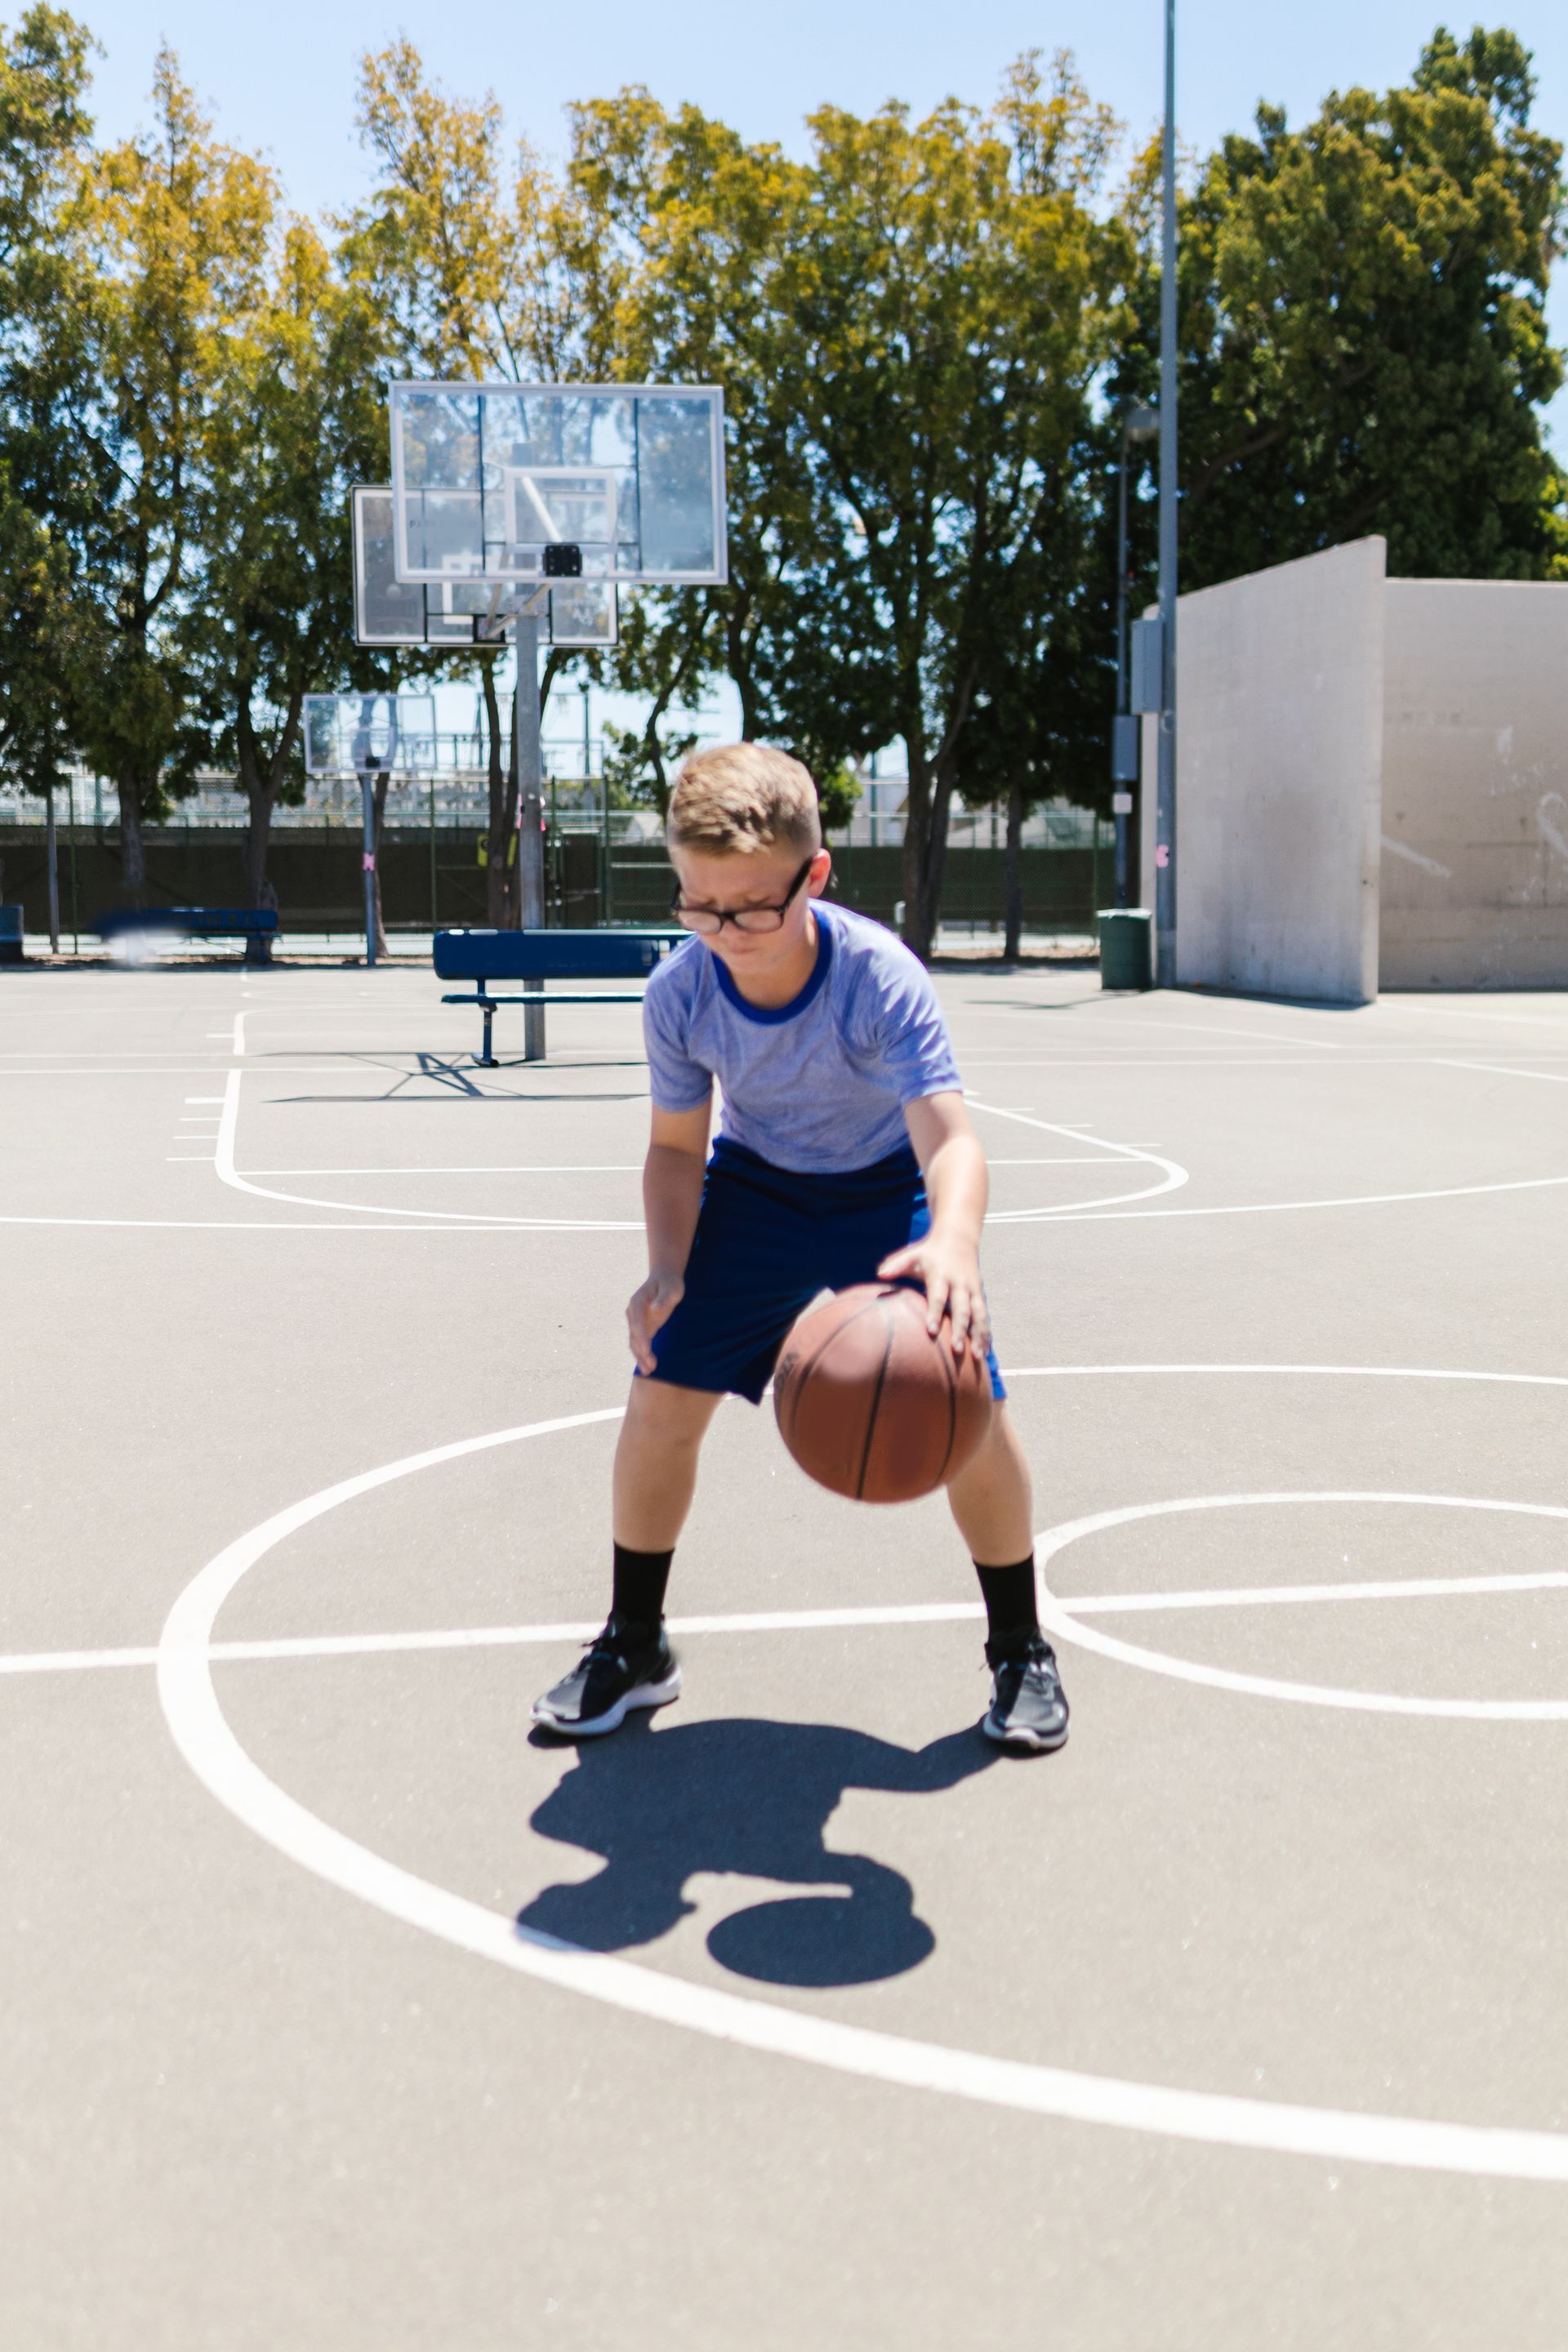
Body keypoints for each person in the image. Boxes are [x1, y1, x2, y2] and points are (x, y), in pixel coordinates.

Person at [532, 743, 1069, 1753]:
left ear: (814, 876)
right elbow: (673, 1151)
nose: (725, 932)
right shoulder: (682, 993)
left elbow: (952, 1140)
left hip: (885, 1191)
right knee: (658, 1393)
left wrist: (952, 1244)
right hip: (758, 1189)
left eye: (751, 908)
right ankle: (636, 1642)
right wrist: (667, 1270)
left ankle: (1020, 1651)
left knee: (972, 1407)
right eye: (699, 906)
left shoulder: (876, 979)